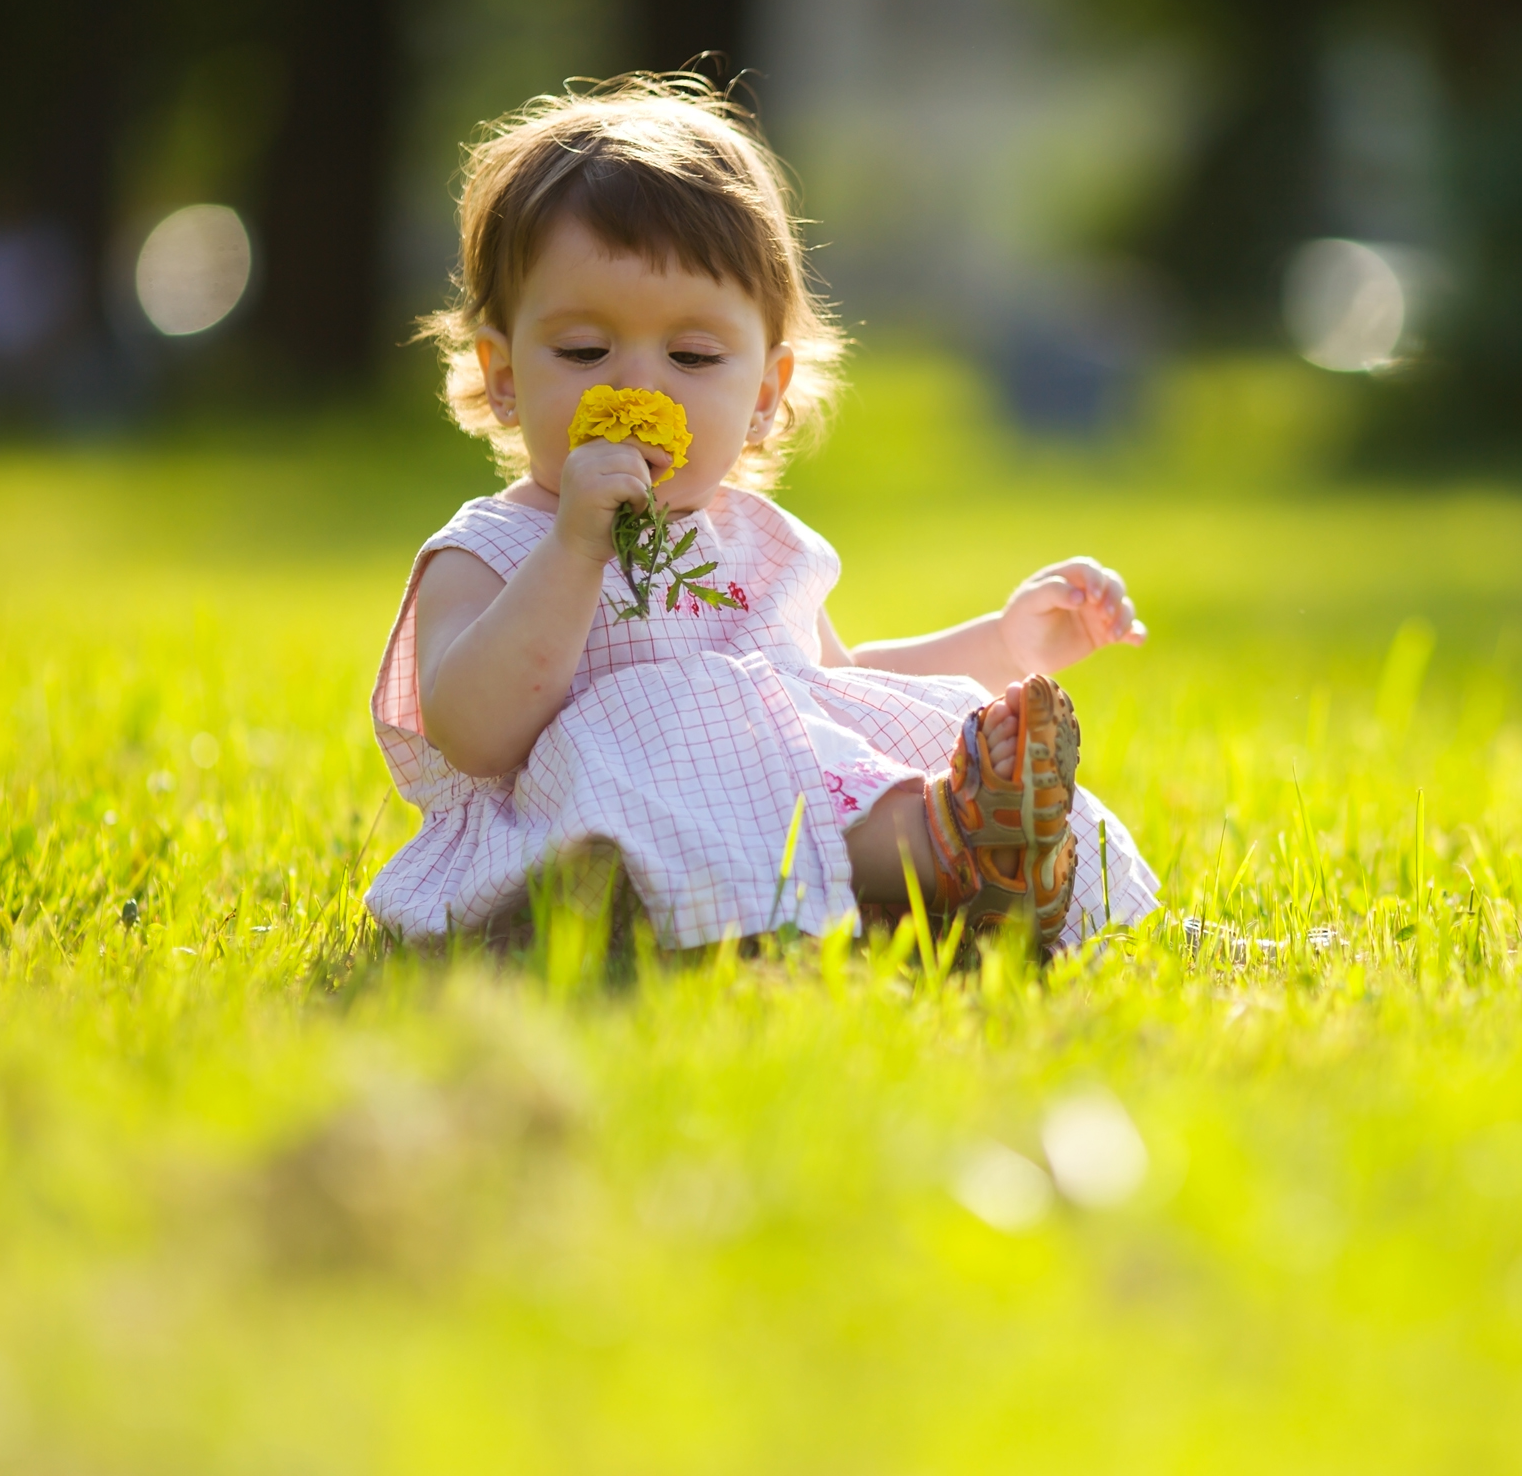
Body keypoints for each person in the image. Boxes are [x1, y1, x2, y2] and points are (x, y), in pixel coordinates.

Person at [366, 74, 1160, 954]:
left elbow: (835, 684)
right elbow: (474, 735)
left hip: (776, 807)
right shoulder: (490, 553)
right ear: (506, 376)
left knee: (835, 728)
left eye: (695, 354)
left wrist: (1006, 644)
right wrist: (574, 547)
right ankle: (947, 853)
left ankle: (972, 856)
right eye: (585, 349)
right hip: (601, 849)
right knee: (691, 722)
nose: (639, 382)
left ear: (764, 394)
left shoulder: (757, 544)